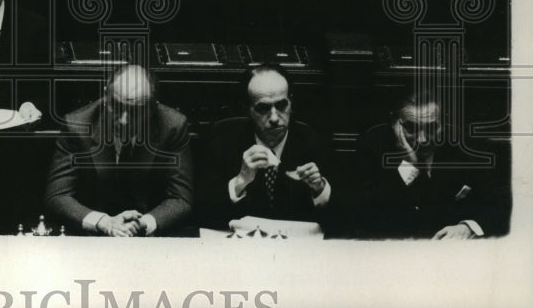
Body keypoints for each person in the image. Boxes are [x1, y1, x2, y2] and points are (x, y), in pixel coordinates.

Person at [44, 64, 194, 236]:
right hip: (92, 237)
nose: (123, 120)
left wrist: (140, 224)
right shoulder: (77, 125)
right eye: (116, 106)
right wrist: (105, 222)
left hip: (148, 237)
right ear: (106, 95)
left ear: (153, 108)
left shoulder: (173, 126)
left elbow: (181, 199)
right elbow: (57, 196)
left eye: (135, 111)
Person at [351, 87, 510, 239]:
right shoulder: (373, 146)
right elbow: (366, 217)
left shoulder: (469, 147)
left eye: (432, 127)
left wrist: (468, 227)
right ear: (395, 122)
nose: (423, 139)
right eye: (411, 127)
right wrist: (408, 164)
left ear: (444, 122)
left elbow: (499, 203)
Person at [198, 64, 332, 230]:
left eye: (282, 105)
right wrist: (241, 181)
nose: (275, 118)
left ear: (291, 102)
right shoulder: (223, 143)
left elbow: (341, 218)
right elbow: (203, 214)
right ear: (247, 108)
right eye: (263, 108)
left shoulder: (314, 141)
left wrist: (319, 189)